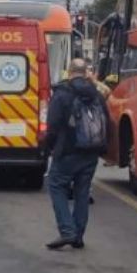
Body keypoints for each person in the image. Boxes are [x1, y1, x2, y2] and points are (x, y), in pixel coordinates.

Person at [43, 58, 112, 250]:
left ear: (69, 72)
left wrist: (48, 148)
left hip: (67, 151)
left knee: (56, 186)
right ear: (85, 72)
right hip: (91, 152)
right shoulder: (97, 94)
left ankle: (67, 231)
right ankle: (78, 236)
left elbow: (53, 126)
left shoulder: (62, 94)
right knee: (82, 192)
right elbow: (108, 122)